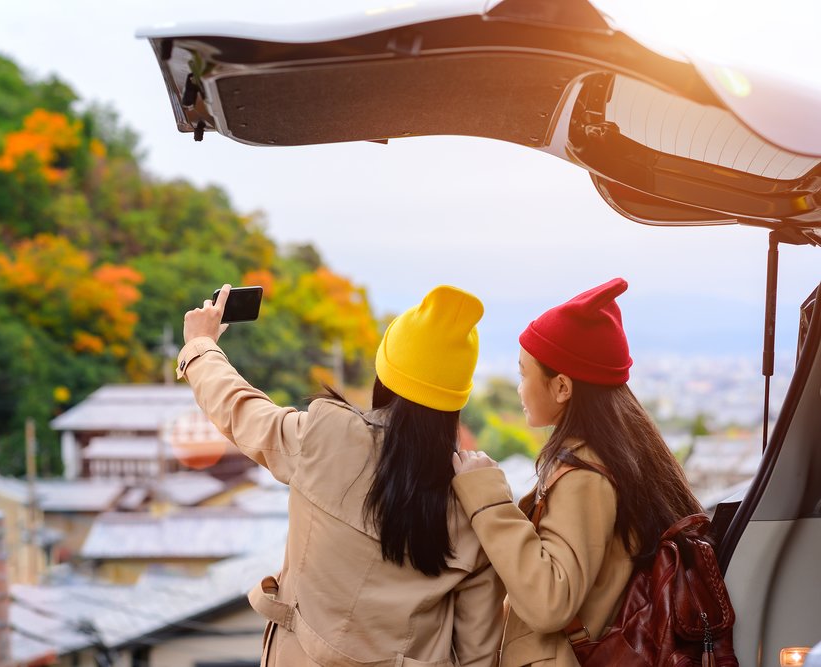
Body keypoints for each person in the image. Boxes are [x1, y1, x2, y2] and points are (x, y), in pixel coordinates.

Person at [179, 283, 504, 667]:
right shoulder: (473, 502)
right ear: (455, 402)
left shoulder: (327, 434)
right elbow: (479, 655)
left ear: (385, 375)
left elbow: (240, 409)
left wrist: (201, 346)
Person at [451, 278, 703, 667]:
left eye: (524, 374)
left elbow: (551, 601)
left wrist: (487, 498)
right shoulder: (623, 455)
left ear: (562, 387)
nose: (519, 389)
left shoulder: (584, 474)